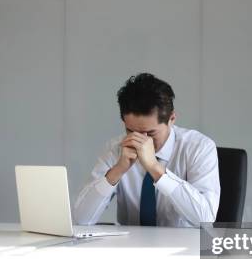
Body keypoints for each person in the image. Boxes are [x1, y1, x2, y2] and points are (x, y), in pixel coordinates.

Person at [73, 73, 220, 228]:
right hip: (130, 248)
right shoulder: (115, 148)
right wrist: (117, 171)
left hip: (183, 248)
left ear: (172, 119)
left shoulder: (198, 147)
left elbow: (205, 219)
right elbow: (82, 219)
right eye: (130, 131)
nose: (141, 141)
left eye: (150, 133)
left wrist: (155, 169)